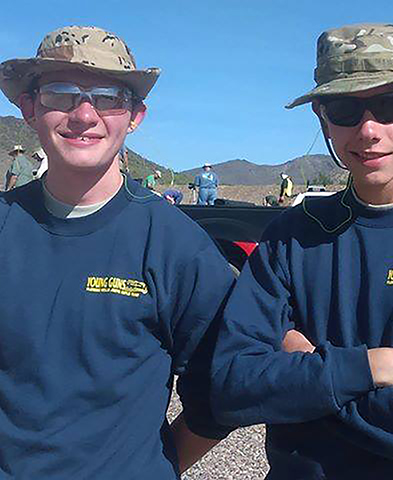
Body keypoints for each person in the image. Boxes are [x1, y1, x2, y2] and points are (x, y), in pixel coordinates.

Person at [211, 23, 393, 479]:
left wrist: (306, 364)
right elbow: (231, 387)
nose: (369, 130)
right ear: (322, 117)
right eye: (345, 109)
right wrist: (372, 366)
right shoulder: (290, 235)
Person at [0, 25, 234, 479]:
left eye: (108, 96)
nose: (84, 114)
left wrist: (154, 468)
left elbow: (220, 396)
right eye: (60, 93)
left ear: (135, 116)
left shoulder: (176, 247)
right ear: (29, 108)